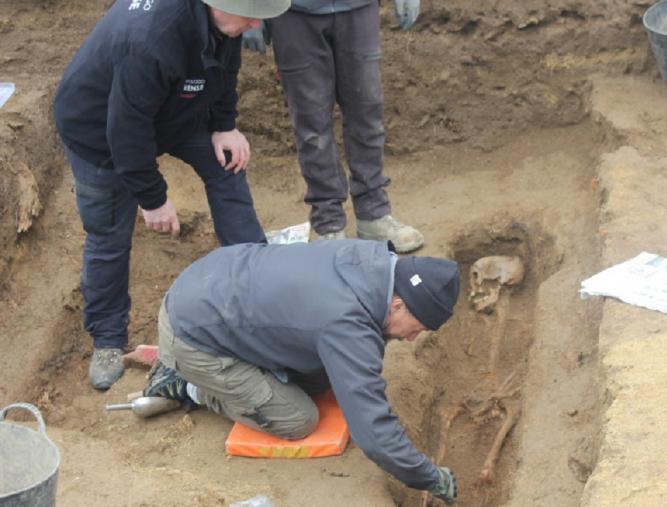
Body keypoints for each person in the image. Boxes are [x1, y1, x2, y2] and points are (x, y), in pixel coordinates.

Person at [53, 0, 292, 391]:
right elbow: (126, 132)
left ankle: (256, 286)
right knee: (108, 234)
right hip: (100, 133)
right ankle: (108, 340)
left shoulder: (223, 20)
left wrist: (224, 125)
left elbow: (224, 68)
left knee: (227, 165)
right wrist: (153, 199)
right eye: (249, 15)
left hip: (171, 111)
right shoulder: (151, 41)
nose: (253, 24)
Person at [143, 239, 458, 504]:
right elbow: (374, 435)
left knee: (322, 377)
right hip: (192, 332)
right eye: (417, 328)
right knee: (297, 419)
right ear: (399, 305)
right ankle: (187, 384)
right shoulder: (347, 323)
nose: (412, 338)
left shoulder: (370, 263)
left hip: (211, 283)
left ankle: (222, 371)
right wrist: (431, 477)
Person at [241, 0, 426, 252]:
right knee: (311, 125)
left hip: (358, 8)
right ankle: (328, 224)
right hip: (294, 13)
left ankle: (373, 214)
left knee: (367, 112)